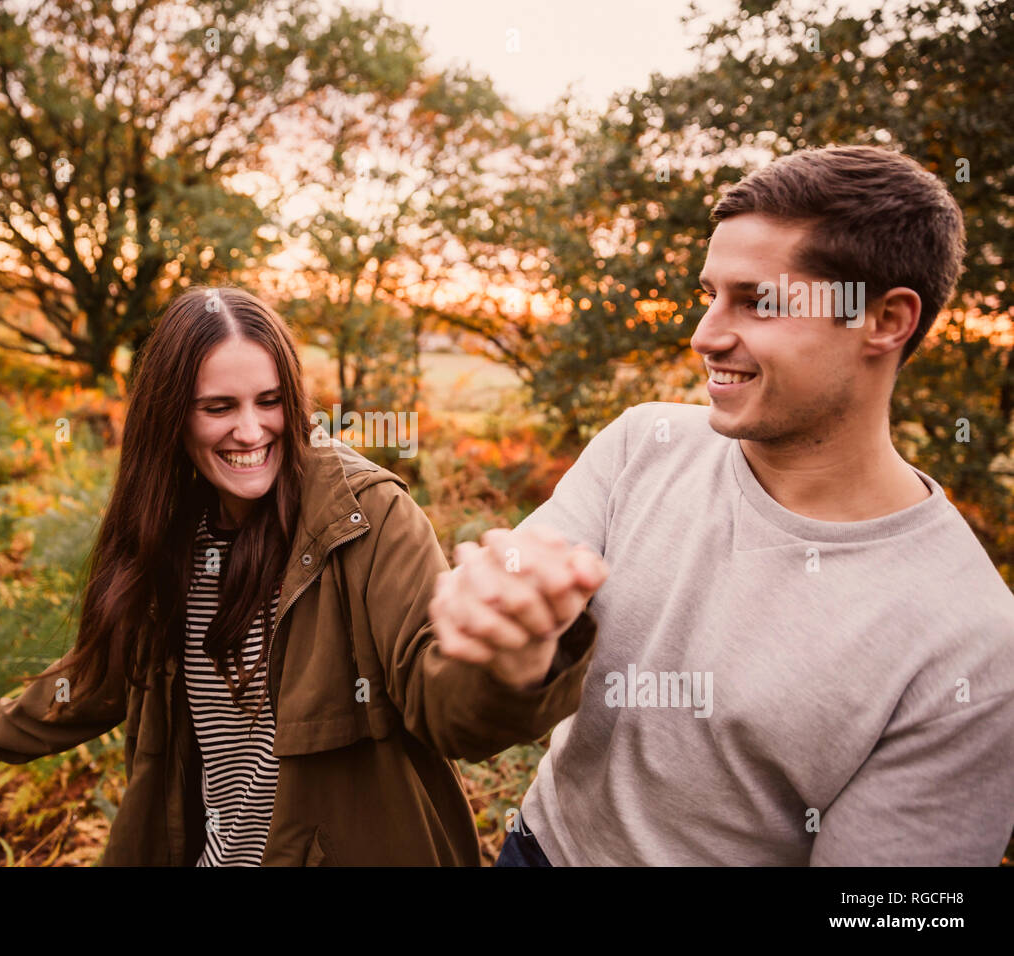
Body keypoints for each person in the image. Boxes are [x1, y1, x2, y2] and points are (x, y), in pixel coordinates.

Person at [431, 145, 1014, 866]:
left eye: (757, 300)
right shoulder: (641, 446)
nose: (706, 335)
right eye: (711, 294)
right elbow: (467, 713)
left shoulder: (972, 645)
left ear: (885, 321)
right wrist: (511, 651)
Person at [0, 286, 603, 866]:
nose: (251, 431)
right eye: (219, 407)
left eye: (270, 401)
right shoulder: (171, 530)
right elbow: (99, 675)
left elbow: (444, 705)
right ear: (172, 418)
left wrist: (515, 660)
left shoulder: (366, 517)